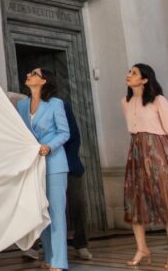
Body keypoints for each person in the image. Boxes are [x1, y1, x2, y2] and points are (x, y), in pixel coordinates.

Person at [123, 64, 168, 270]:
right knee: (135, 200)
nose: (129, 75)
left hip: (160, 153)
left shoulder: (158, 100)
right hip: (136, 152)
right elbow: (133, 129)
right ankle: (142, 248)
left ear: (144, 80)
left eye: (134, 73)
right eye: (129, 72)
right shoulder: (125, 101)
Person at [16, 68, 70, 270]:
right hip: (33, 165)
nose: (28, 75)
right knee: (41, 211)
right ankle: (48, 257)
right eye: (29, 73)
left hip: (55, 164)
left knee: (56, 213)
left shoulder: (56, 104)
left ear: (44, 81)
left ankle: (59, 261)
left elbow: (64, 133)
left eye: (34, 74)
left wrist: (49, 146)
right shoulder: (22, 105)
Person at [62, 99, 93, 261]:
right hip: (42, 163)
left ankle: (81, 243)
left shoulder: (62, 105)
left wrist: (69, 159)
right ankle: (34, 246)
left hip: (69, 162)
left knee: (78, 202)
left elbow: (74, 135)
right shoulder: (26, 105)